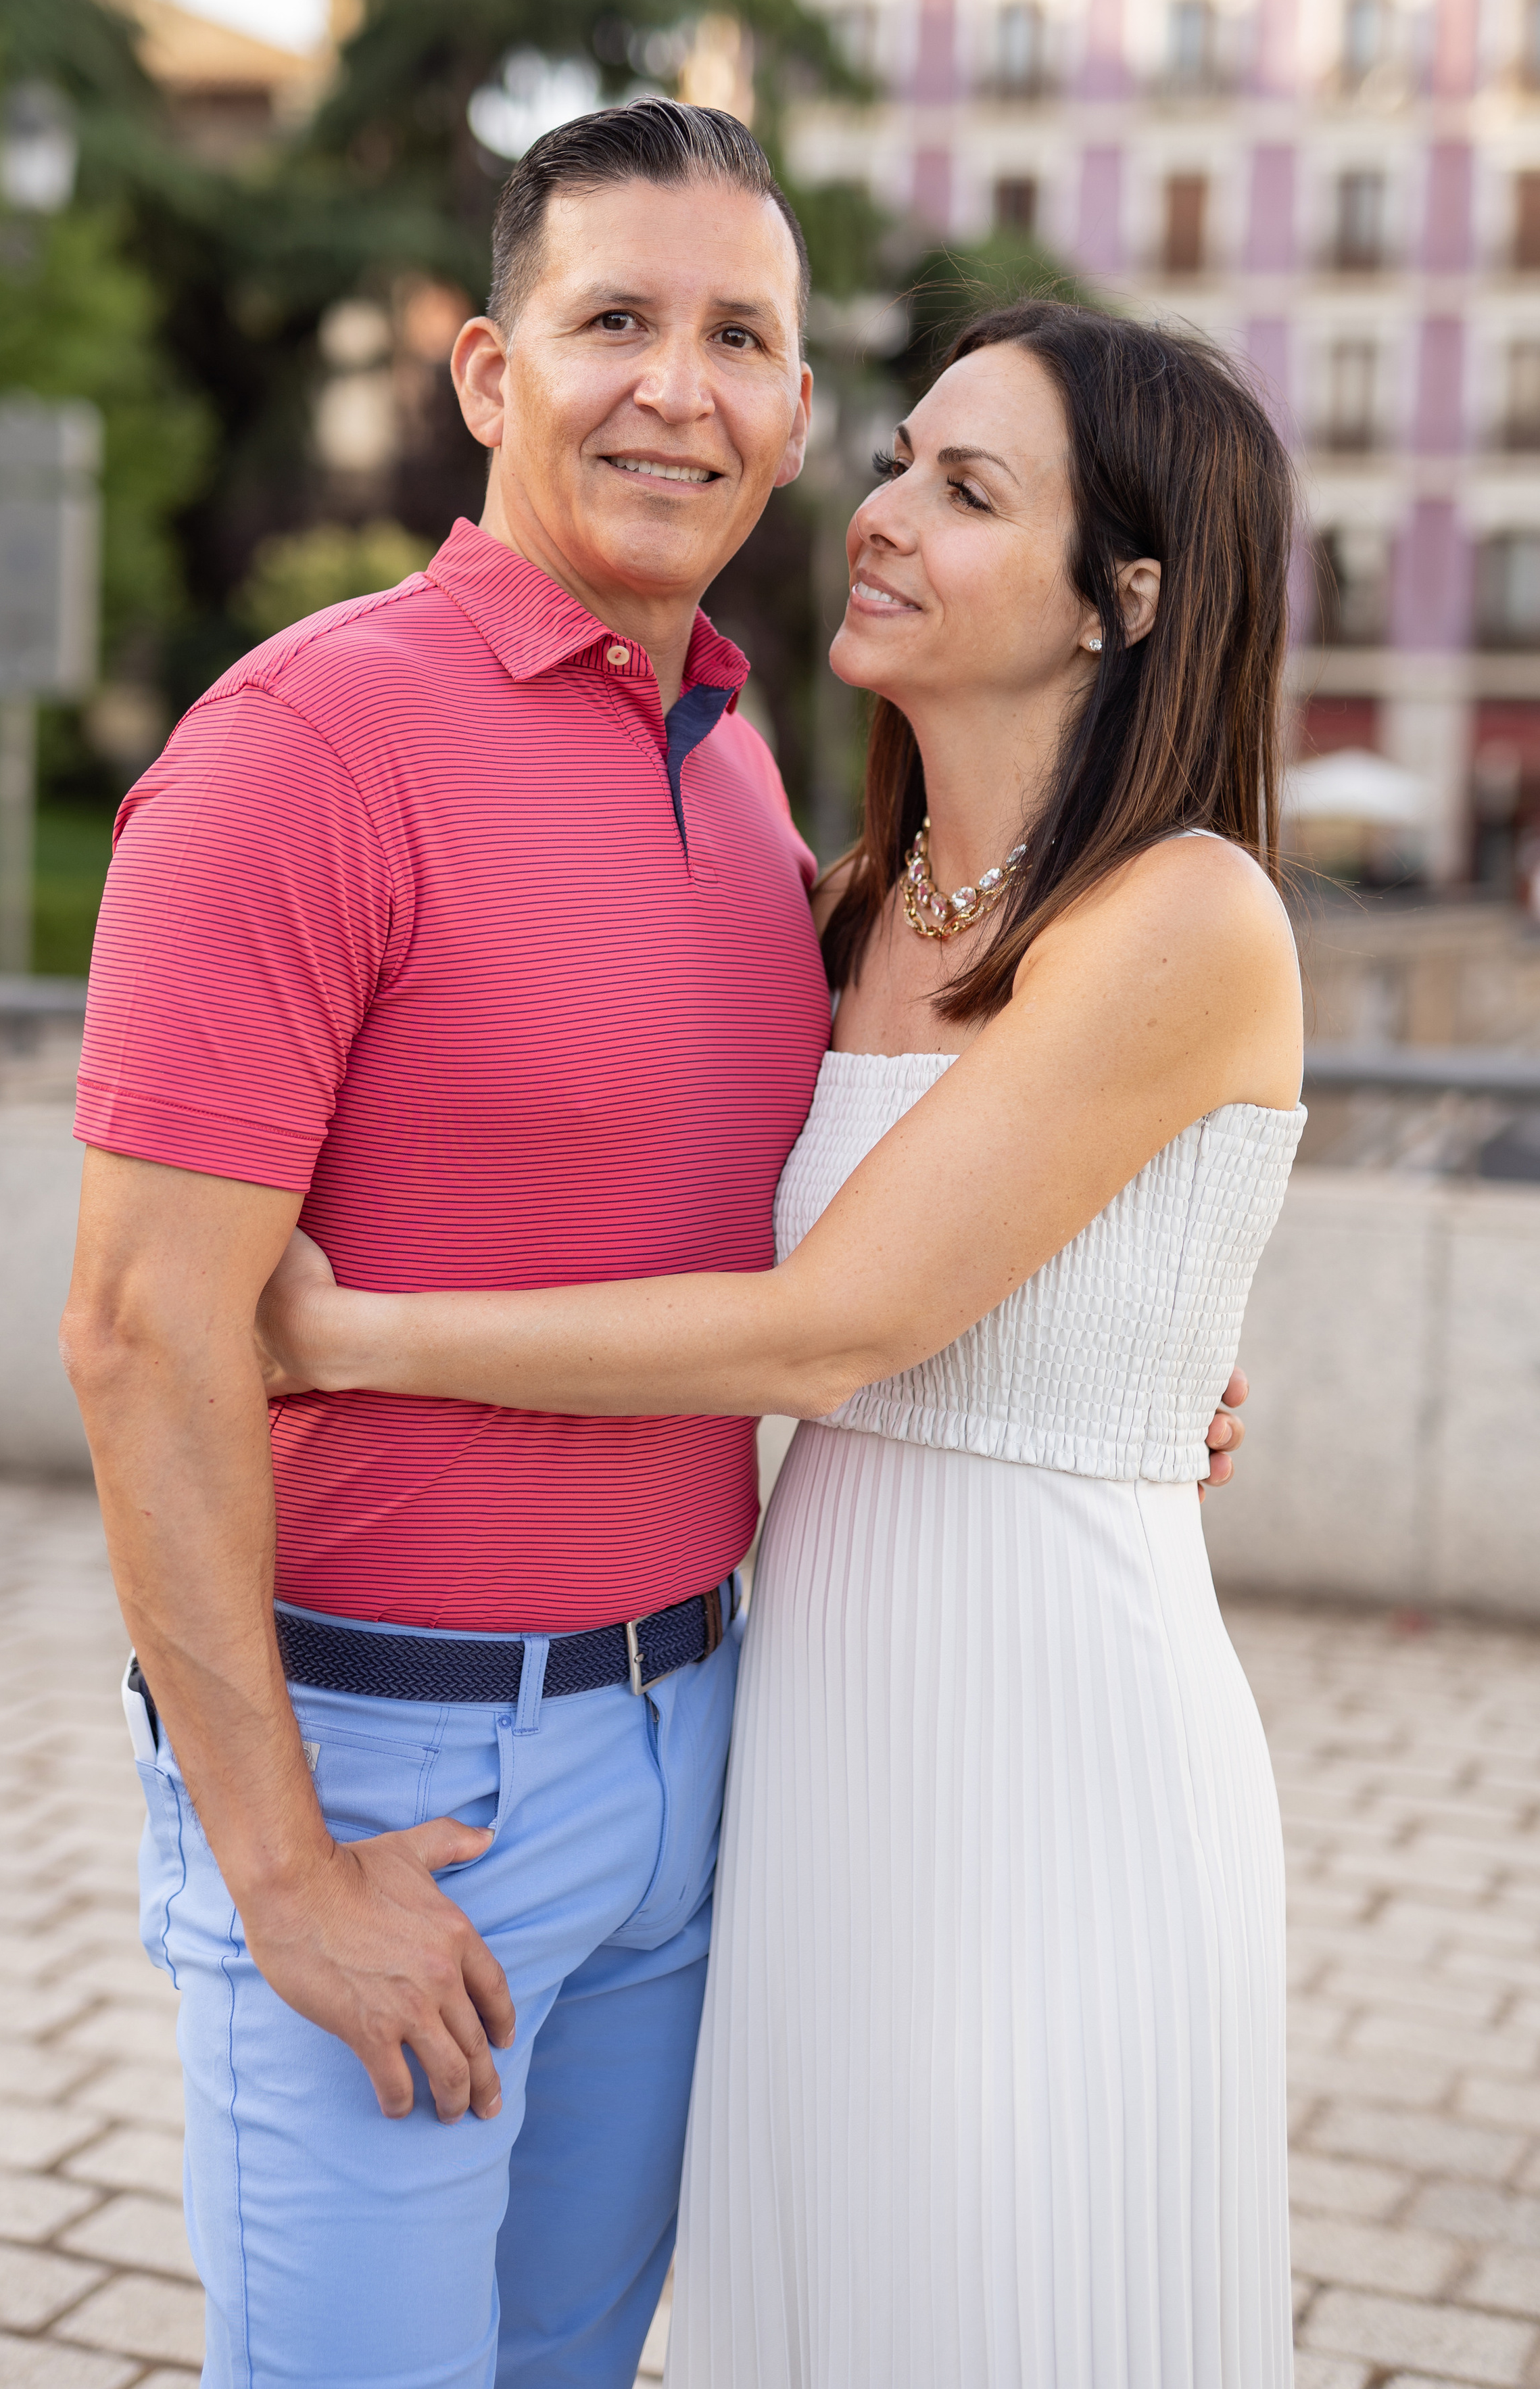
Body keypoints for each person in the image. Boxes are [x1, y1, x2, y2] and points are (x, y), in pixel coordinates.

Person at [252, 301, 1301, 2388]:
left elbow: (830, 1328)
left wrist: (348, 1334)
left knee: (1009, 2293)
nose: (879, 514)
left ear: (1123, 600)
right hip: (812, 1702)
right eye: (900, 462)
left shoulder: (1185, 916)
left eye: (967, 492)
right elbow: (692, 1222)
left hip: (1050, 1728)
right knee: (822, 2292)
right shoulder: (848, 906)